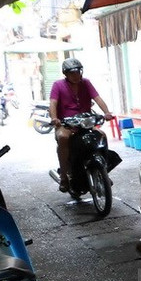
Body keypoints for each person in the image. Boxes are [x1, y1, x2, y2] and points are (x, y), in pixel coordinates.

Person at [49, 58, 114, 192]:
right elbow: (53, 103)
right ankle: (64, 177)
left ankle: (104, 171)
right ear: (65, 74)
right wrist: (55, 118)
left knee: (102, 135)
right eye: (72, 73)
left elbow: (97, 98)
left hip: (85, 122)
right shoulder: (58, 85)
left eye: (77, 72)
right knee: (63, 137)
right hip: (66, 124)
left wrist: (107, 112)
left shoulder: (86, 83)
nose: (75, 75)